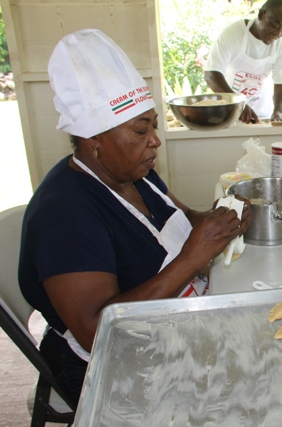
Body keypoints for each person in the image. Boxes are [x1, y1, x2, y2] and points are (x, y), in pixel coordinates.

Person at [18, 29, 252, 407]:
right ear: (94, 140)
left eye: (154, 125)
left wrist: (220, 220)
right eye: (140, 130)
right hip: (111, 367)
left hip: (173, 319)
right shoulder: (64, 215)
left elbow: (183, 217)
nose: (155, 141)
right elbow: (98, 332)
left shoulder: (133, 171)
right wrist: (192, 258)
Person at [204, 0, 282, 123]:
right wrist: (238, 104)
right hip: (228, 112)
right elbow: (211, 75)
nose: (278, 33)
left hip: (260, 115)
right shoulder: (233, 34)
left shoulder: (281, 46)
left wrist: (278, 112)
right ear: (262, 14)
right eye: (275, 26)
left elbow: (281, 84)